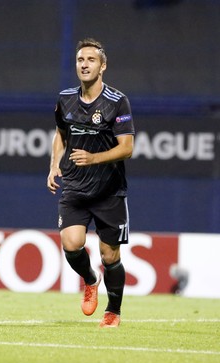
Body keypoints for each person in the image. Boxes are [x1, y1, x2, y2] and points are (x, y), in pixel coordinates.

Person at [47, 38, 135, 328]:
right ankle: (89, 280)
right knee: (71, 244)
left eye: (91, 60)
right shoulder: (65, 98)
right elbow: (60, 134)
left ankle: (113, 311)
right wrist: (53, 165)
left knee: (110, 256)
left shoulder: (116, 101)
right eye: (80, 60)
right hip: (74, 186)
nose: (84, 64)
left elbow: (127, 148)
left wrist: (93, 158)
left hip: (109, 191)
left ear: (103, 66)